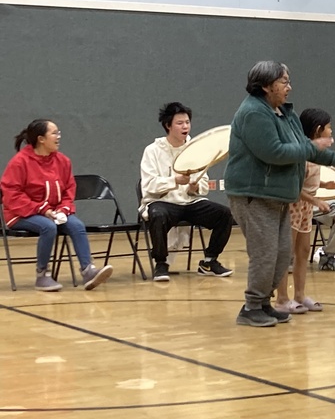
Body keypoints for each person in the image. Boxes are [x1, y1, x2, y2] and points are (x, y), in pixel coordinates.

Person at [224, 62, 335, 327]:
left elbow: (300, 145)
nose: (289, 87)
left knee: (281, 253)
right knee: (265, 253)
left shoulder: (282, 112)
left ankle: (265, 303)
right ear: (266, 85)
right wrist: (311, 146)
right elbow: (274, 152)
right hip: (253, 193)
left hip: (277, 195)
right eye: (284, 81)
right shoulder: (254, 113)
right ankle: (251, 307)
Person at [0, 120, 112, 291]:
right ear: (41, 139)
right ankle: (42, 275)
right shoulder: (19, 162)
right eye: (54, 133)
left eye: (58, 133)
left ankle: (88, 270)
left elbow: (69, 189)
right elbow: (12, 195)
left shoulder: (63, 161)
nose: (58, 137)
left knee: (77, 225)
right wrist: (42, 209)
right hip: (21, 213)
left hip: (53, 212)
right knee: (48, 227)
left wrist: (64, 209)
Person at [139, 102, 235, 282]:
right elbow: (149, 186)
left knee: (224, 215)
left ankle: (209, 261)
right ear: (168, 125)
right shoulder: (152, 151)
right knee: (157, 214)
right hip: (163, 202)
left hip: (190, 203)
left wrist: (195, 187)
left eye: (187, 122)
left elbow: (204, 184)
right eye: (180, 123)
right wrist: (174, 180)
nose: (185, 126)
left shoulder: (195, 148)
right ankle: (161, 263)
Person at [274, 108, 335, 314]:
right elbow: (293, 186)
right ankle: (281, 299)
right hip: (292, 204)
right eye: (329, 127)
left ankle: (300, 295)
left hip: (306, 207)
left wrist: (324, 184)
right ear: (318, 130)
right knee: (287, 254)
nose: (331, 131)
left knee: (303, 251)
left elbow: (309, 179)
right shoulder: (299, 153)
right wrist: (316, 200)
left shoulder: (315, 153)